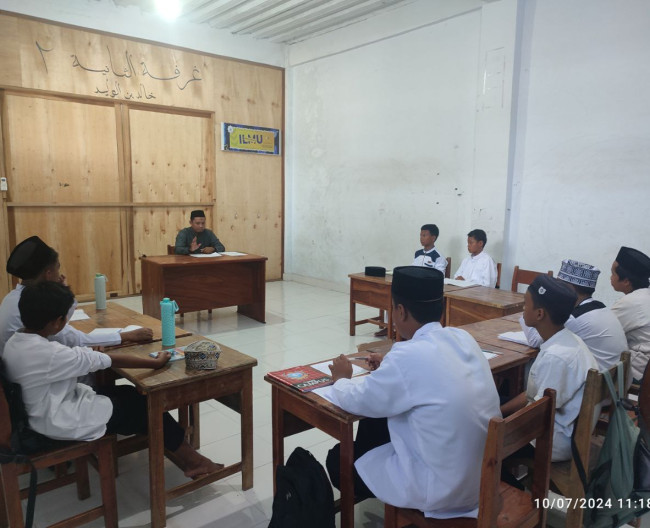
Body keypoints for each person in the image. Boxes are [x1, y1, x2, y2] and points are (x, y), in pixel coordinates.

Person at [326, 266, 500, 518]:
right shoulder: (463, 338)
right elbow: (429, 369)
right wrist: (390, 364)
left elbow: (358, 400)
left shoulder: (407, 356)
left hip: (440, 491)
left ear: (400, 311)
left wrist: (341, 379)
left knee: (337, 459)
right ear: (441, 307)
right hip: (481, 479)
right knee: (383, 424)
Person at [2, 281, 221, 478]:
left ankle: (173, 445)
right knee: (145, 407)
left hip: (37, 415)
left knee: (127, 393)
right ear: (58, 322)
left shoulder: (15, 342)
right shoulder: (48, 353)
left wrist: (89, 354)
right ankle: (195, 462)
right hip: (55, 423)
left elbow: (79, 357)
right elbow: (104, 359)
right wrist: (154, 363)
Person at [0, 236, 153, 358]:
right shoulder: (33, 303)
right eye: (58, 268)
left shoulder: (12, 298)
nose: (60, 274)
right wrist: (128, 336)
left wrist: (61, 291)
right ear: (48, 274)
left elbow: (62, 321)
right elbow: (76, 339)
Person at [502, 275, 597, 462]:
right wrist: (500, 410)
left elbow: (536, 412)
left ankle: (509, 481)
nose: (523, 308)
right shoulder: (568, 340)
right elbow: (534, 395)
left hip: (550, 441)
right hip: (555, 426)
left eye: (525, 304)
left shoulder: (556, 357)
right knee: (495, 405)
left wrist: (497, 423)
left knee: (481, 439)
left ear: (539, 314)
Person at [520, 259, 626, 371]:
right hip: (616, 376)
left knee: (531, 363)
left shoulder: (575, 318)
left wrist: (528, 307)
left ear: (569, 288)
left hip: (598, 379)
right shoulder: (601, 308)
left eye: (558, 284)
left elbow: (535, 341)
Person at [610, 246, 650, 382]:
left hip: (642, 372)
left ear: (626, 281)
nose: (610, 277)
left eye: (613, 273)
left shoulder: (631, 302)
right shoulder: (645, 295)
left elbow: (605, 331)